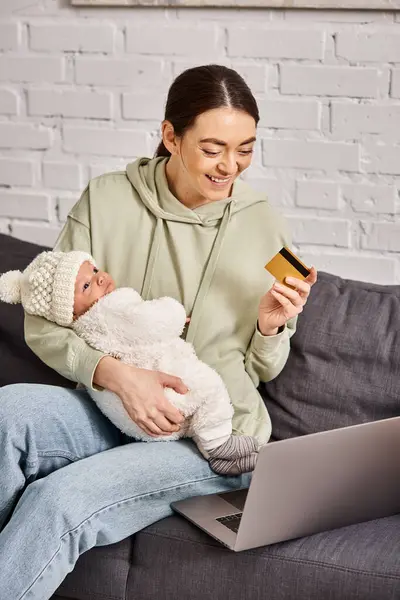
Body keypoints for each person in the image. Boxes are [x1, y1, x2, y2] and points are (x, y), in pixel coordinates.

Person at [0, 64, 317, 599]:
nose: (230, 167)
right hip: (112, 407)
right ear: (170, 135)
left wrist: (271, 326)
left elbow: (265, 369)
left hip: (215, 440)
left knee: (60, 501)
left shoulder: (264, 223)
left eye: (245, 149)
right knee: (7, 413)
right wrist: (115, 375)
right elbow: (42, 315)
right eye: (213, 147)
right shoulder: (105, 199)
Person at [0, 250, 260, 474]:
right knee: (208, 388)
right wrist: (176, 312)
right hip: (163, 401)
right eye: (86, 286)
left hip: (134, 420)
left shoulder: (84, 326)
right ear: (69, 311)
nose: (100, 277)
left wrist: (269, 331)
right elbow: (149, 322)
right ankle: (218, 446)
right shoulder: (109, 309)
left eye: (95, 270)